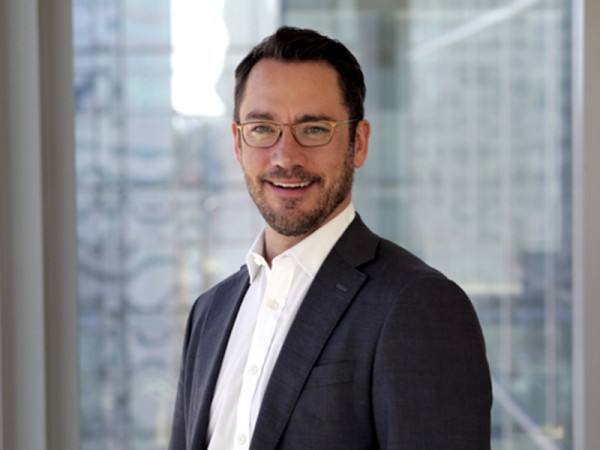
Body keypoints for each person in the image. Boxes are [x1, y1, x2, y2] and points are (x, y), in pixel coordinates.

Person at [168, 26, 492, 450]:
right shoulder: (209, 313)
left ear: (358, 143)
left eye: (314, 129)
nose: (285, 156)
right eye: (263, 128)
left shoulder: (416, 303)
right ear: (237, 143)